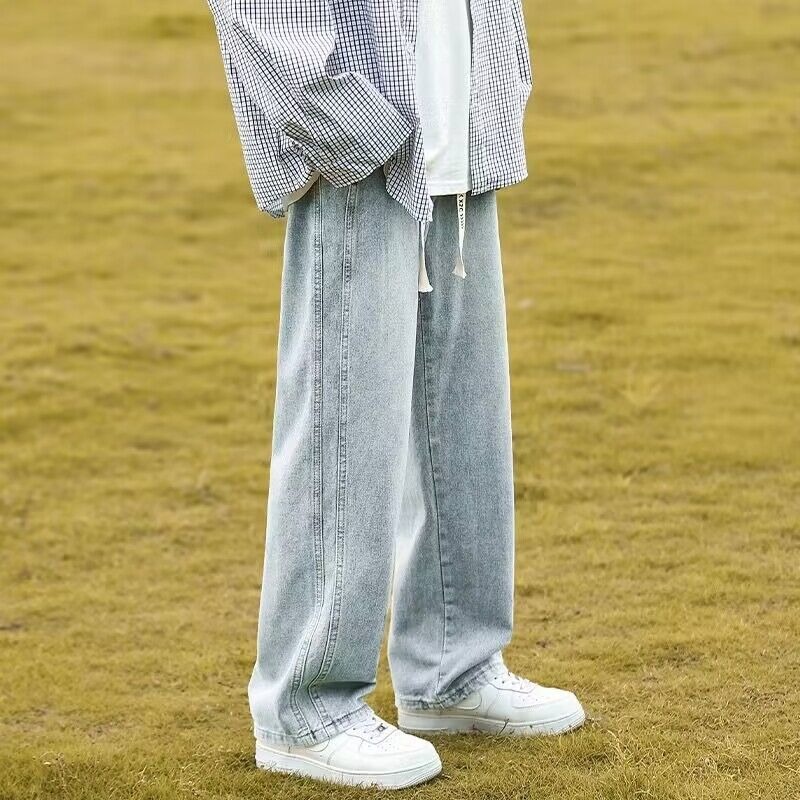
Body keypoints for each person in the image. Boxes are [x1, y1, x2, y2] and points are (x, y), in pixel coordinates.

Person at [206, 0, 585, 789]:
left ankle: (454, 666)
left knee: (467, 415)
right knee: (345, 419)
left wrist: (497, 87)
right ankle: (305, 708)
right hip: (360, 143)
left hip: (459, 131)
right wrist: (335, 113)